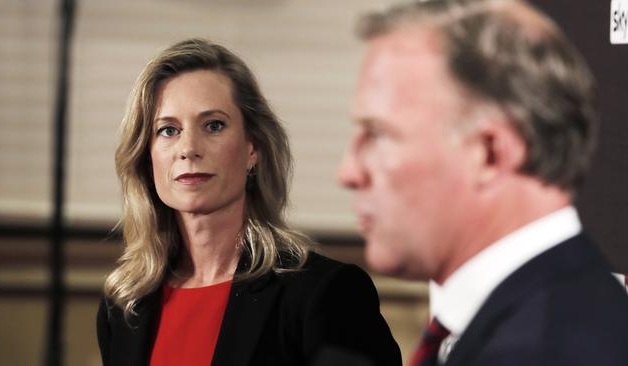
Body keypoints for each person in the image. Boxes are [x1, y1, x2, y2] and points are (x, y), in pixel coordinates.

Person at [338, 0, 628, 365]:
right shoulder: (539, 320)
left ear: (490, 153)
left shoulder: (540, 350)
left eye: (378, 135)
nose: (348, 172)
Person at [97, 38, 401, 366]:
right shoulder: (125, 305)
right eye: (168, 130)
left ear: (252, 149)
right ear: (146, 155)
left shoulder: (325, 295)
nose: (188, 148)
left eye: (213, 126)